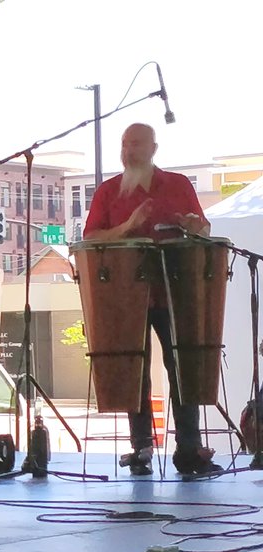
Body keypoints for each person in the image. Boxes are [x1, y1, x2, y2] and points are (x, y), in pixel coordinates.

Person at [83, 122, 221, 476]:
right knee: (134, 368)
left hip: (177, 292)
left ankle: (188, 448)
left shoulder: (178, 184)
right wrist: (127, 227)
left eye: (136, 144)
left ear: (153, 148)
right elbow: (91, 237)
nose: (129, 151)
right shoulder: (108, 191)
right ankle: (141, 447)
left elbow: (204, 229)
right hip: (124, 296)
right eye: (125, 144)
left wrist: (194, 226)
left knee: (183, 366)